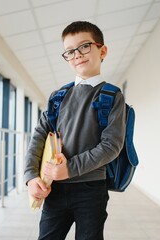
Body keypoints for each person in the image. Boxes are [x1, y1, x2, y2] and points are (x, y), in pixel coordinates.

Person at [24, 21, 126, 240]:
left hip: (91, 189)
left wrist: (70, 168)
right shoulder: (57, 97)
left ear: (103, 50)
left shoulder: (111, 96)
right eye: (70, 51)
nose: (77, 54)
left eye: (84, 46)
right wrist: (31, 177)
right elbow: (39, 137)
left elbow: (111, 146)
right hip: (55, 188)